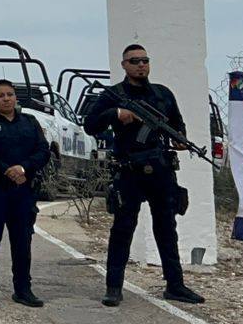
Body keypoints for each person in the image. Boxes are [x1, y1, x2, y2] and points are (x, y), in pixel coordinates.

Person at [85, 44, 205, 307]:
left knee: (166, 228)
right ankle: (113, 287)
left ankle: (175, 285)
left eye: (145, 60)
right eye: (135, 61)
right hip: (129, 170)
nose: (141, 65)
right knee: (123, 229)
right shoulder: (114, 95)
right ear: (124, 65)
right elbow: (90, 124)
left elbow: (177, 124)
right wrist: (116, 114)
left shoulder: (162, 95)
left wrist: (180, 140)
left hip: (160, 170)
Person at [0, 79, 49, 308]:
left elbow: (43, 151)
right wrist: (7, 170)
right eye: (1, 95)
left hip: (23, 191)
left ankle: (23, 290)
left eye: (10, 94)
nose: (6, 99)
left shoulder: (30, 122)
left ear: (16, 98)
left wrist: (23, 168)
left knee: (22, 242)